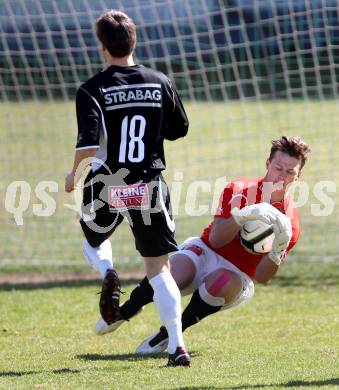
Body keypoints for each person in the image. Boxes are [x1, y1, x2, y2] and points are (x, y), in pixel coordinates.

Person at [94, 136, 311, 354]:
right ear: (267, 164)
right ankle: (125, 311)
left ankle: (169, 334)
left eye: (290, 172)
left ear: (298, 175)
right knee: (175, 273)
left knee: (222, 280)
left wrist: (277, 252)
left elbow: (263, 277)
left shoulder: (290, 223)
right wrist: (242, 216)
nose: (281, 176)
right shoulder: (239, 190)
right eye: (278, 168)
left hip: (236, 275)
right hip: (205, 250)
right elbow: (216, 239)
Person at [65, 10, 191, 366]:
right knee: (159, 270)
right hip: (149, 184)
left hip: (106, 183)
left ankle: (107, 273)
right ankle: (176, 348)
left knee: (94, 239)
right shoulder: (159, 81)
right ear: (134, 42)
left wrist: (73, 173)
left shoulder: (92, 89)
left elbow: (88, 143)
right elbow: (179, 128)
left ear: (103, 47)